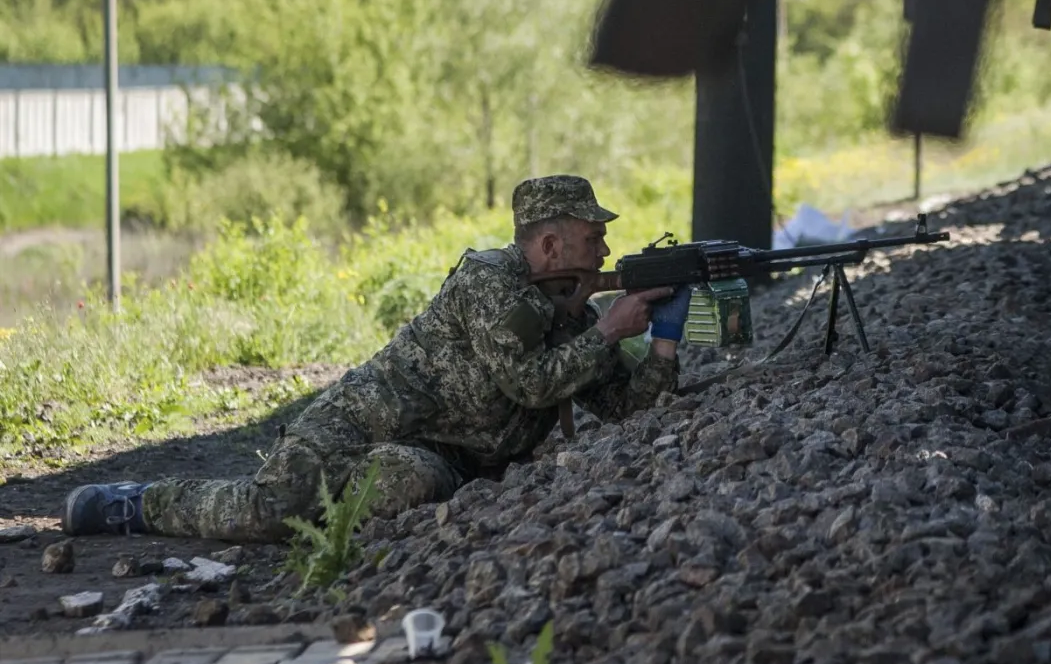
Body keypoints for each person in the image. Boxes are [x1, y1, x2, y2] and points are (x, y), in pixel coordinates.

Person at [61, 175, 689, 543]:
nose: (605, 249)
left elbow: (626, 407)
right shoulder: (488, 284)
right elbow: (531, 385)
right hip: (355, 430)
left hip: (437, 457)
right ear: (550, 244)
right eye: (593, 237)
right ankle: (137, 502)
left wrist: (663, 335)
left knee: (410, 482)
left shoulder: (569, 307)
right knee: (263, 512)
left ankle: (349, 522)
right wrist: (610, 330)